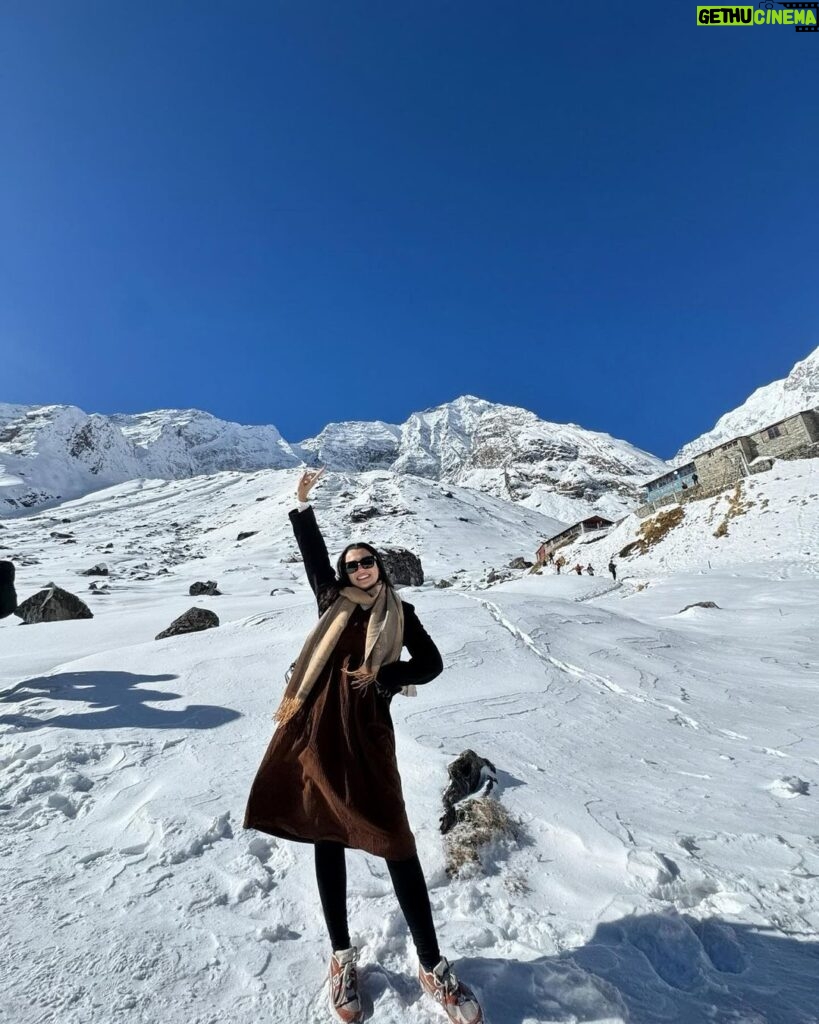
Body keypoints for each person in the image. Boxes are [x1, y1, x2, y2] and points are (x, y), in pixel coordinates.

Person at [244, 468, 483, 1024]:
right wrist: (301, 505)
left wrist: (385, 679)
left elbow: (432, 664)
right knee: (326, 833)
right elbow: (312, 552)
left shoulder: (402, 614)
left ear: (380, 566)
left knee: (396, 842)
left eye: (366, 561)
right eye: (351, 564)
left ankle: (432, 965)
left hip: (370, 735)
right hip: (318, 727)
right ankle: (342, 957)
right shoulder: (332, 599)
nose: (358, 569)